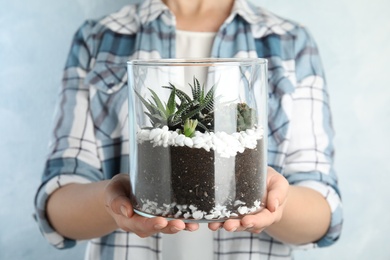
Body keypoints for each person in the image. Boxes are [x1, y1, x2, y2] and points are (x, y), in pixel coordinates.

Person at [34, 0, 343, 259]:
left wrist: (272, 200)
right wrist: (113, 201)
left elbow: (324, 211)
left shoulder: (290, 42)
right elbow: (58, 205)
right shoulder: (99, 37)